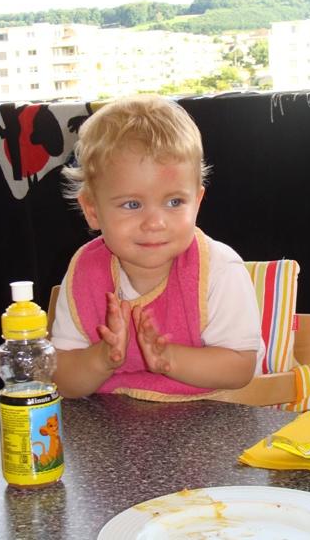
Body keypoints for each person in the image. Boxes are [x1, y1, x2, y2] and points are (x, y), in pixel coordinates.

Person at [51, 95, 265, 400]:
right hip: (114, 422)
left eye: (174, 202)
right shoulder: (86, 273)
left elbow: (240, 367)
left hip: (212, 414)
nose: (155, 222)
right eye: (132, 204)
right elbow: (63, 380)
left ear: (197, 202)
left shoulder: (218, 269)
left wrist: (169, 358)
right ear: (92, 211)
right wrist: (101, 359)